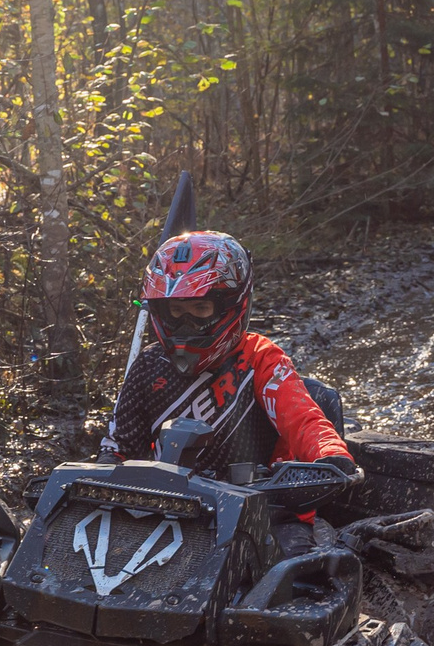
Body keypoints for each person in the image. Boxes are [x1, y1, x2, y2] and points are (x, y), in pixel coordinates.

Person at [104, 231, 352, 553]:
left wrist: (331, 455)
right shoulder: (149, 364)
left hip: (262, 512)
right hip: (167, 508)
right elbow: (118, 447)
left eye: (200, 308)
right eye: (176, 311)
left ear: (233, 305)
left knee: (295, 571)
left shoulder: (260, 359)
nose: (186, 325)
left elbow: (304, 420)